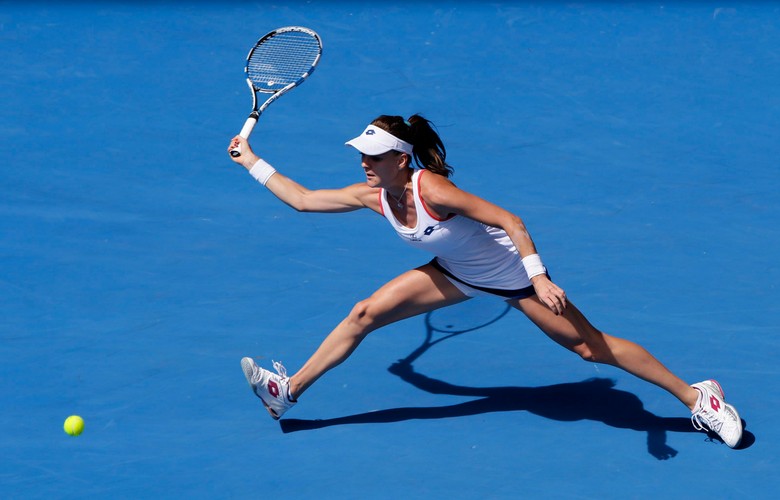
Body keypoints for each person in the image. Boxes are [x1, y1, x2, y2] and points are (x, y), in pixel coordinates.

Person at [227, 114, 743, 448]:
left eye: (373, 156)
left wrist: (537, 280)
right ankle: (286, 392)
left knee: (593, 350)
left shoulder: (436, 190)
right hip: (454, 275)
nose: (363, 163)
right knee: (363, 314)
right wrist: (252, 162)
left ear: (400, 160)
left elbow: (511, 221)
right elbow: (302, 199)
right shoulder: (373, 196)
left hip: (514, 280)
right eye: (362, 155)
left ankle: (700, 399)